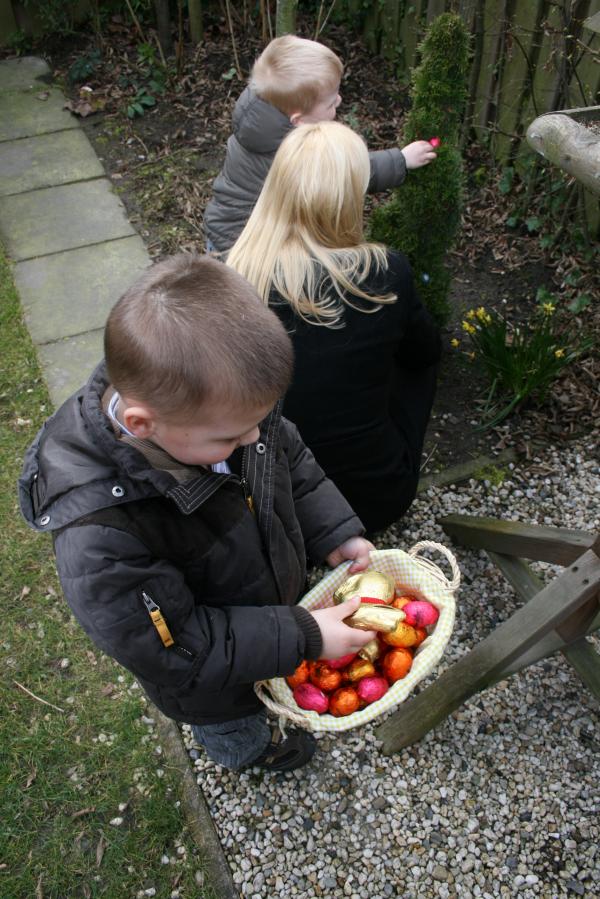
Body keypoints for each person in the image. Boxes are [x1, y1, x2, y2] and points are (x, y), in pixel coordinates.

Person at [18, 254, 378, 773]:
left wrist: (335, 531)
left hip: (269, 616)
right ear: (142, 423)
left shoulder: (216, 409)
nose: (252, 439)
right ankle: (251, 753)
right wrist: (304, 636)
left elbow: (290, 460)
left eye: (258, 422)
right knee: (234, 722)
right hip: (213, 686)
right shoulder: (103, 536)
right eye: (233, 437)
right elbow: (179, 649)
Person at [227, 121, 442, 535]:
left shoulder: (232, 280)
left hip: (261, 501)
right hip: (373, 497)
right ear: (349, 197)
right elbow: (425, 353)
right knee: (416, 356)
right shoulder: (385, 273)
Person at [204, 33, 437, 253]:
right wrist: (401, 160)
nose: (339, 99)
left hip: (224, 234)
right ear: (298, 119)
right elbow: (345, 174)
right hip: (244, 249)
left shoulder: (262, 114)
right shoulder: (290, 152)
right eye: (330, 103)